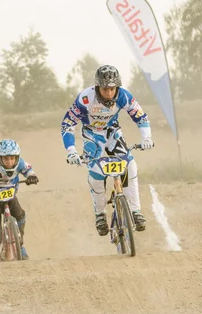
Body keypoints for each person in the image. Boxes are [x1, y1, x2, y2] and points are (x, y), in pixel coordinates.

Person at [61, 65, 154, 236]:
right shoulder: (85, 99)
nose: (109, 93)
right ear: (97, 87)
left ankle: (135, 211)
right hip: (91, 135)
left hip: (112, 133)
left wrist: (146, 138)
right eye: (105, 89)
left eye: (112, 89)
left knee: (130, 166)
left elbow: (140, 116)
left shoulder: (124, 95)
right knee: (96, 174)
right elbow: (68, 124)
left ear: (117, 87)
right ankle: (100, 214)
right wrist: (72, 151)